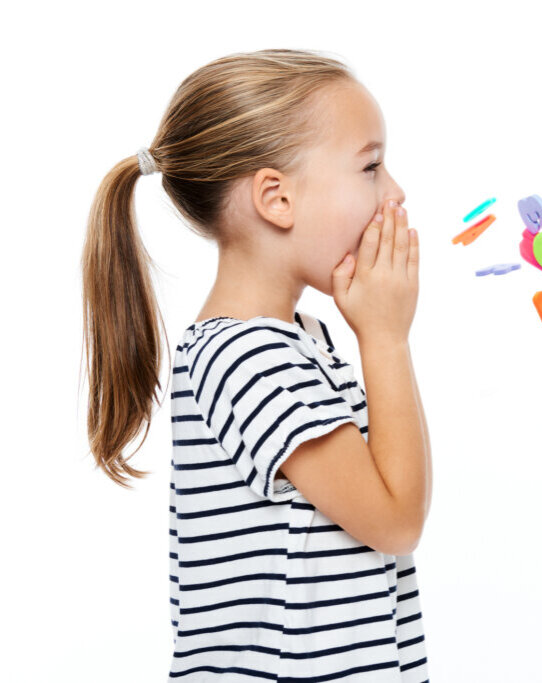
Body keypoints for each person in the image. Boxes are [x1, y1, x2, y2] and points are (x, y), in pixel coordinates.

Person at [80, 48, 431, 681]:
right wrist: (386, 340)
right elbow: (397, 520)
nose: (397, 192)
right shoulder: (252, 358)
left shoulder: (298, 340)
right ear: (276, 198)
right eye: (372, 167)